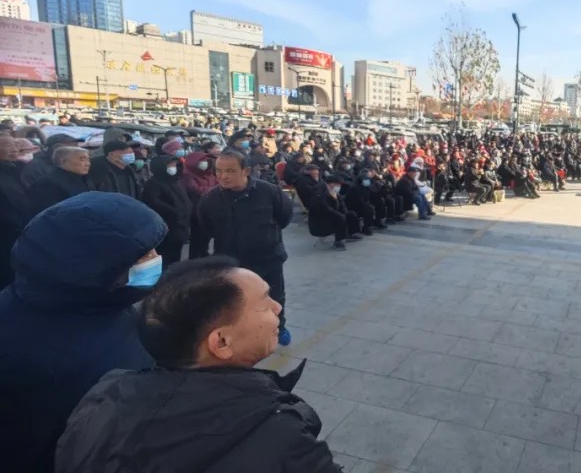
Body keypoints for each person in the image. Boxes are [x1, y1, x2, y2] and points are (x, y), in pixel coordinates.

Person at [54, 256, 343, 473]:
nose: (277, 308)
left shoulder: (102, 398)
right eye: (264, 302)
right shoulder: (282, 438)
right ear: (221, 342)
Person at [0, 192, 166, 473]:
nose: (155, 259)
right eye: (143, 255)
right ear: (95, 265)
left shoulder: (99, 301)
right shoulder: (33, 355)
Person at [198, 151, 295, 344]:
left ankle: (278, 327)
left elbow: (284, 217)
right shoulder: (210, 200)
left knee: (275, 296)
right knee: (233, 301)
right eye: (219, 171)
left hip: (268, 259)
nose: (223, 176)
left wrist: (267, 238)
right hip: (231, 263)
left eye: (230, 171)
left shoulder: (270, 192)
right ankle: (242, 333)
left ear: (246, 171)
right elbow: (204, 230)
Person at [141, 154, 193, 266]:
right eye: (170, 165)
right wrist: (175, 212)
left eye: (174, 165)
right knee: (165, 257)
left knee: (176, 256)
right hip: (166, 227)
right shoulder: (153, 184)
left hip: (180, 225)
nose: (173, 167)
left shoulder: (176, 181)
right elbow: (154, 203)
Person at [0, 135, 33, 289]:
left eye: (15, 145)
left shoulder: (15, 170)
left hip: (19, 234)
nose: (14, 149)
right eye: (8, 145)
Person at [28, 146, 94, 214]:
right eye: (82, 160)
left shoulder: (84, 178)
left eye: (88, 160)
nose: (88, 164)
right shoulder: (48, 184)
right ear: (63, 161)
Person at [180, 151, 217, 259]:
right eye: (202, 161)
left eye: (206, 160)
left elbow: (219, 184)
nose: (205, 163)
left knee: (207, 237)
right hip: (195, 212)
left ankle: (204, 256)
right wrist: (214, 189)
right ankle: (194, 260)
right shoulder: (187, 175)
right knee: (197, 238)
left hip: (210, 210)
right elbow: (196, 190)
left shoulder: (209, 174)